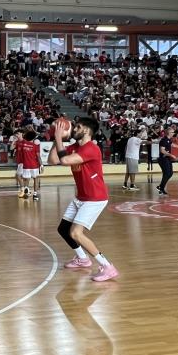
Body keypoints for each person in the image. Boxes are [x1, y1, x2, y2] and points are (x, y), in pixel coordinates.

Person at [47, 117, 118, 282]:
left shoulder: (91, 149)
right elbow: (53, 160)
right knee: (64, 229)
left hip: (95, 198)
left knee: (75, 233)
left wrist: (58, 137)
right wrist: (55, 139)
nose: (73, 129)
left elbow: (64, 161)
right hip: (81, 197)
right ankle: (83, 259)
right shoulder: (74, 147)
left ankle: (108, 267)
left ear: (86, 131)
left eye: (77, 127)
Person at [16, 129, 42, 200]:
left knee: (26, 179)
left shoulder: (23, 145)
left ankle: (26, 189)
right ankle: (35, 195)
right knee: (36, 179)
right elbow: (38, 157)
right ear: (33, 138)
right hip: (34, 165)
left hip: (26, 165)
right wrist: (41, 165)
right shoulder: (35, 146)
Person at [156, 126, 175, 195]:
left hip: (167, 158)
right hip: (163, 159)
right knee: (167, 173)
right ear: (168, 133)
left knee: (170, 173)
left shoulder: (169, 140)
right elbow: (162, 150)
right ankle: (161, 188)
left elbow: (172, 145)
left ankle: (160, 187)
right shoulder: (164, 140)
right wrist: (171, 155)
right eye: (172, 132)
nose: (173, 133)